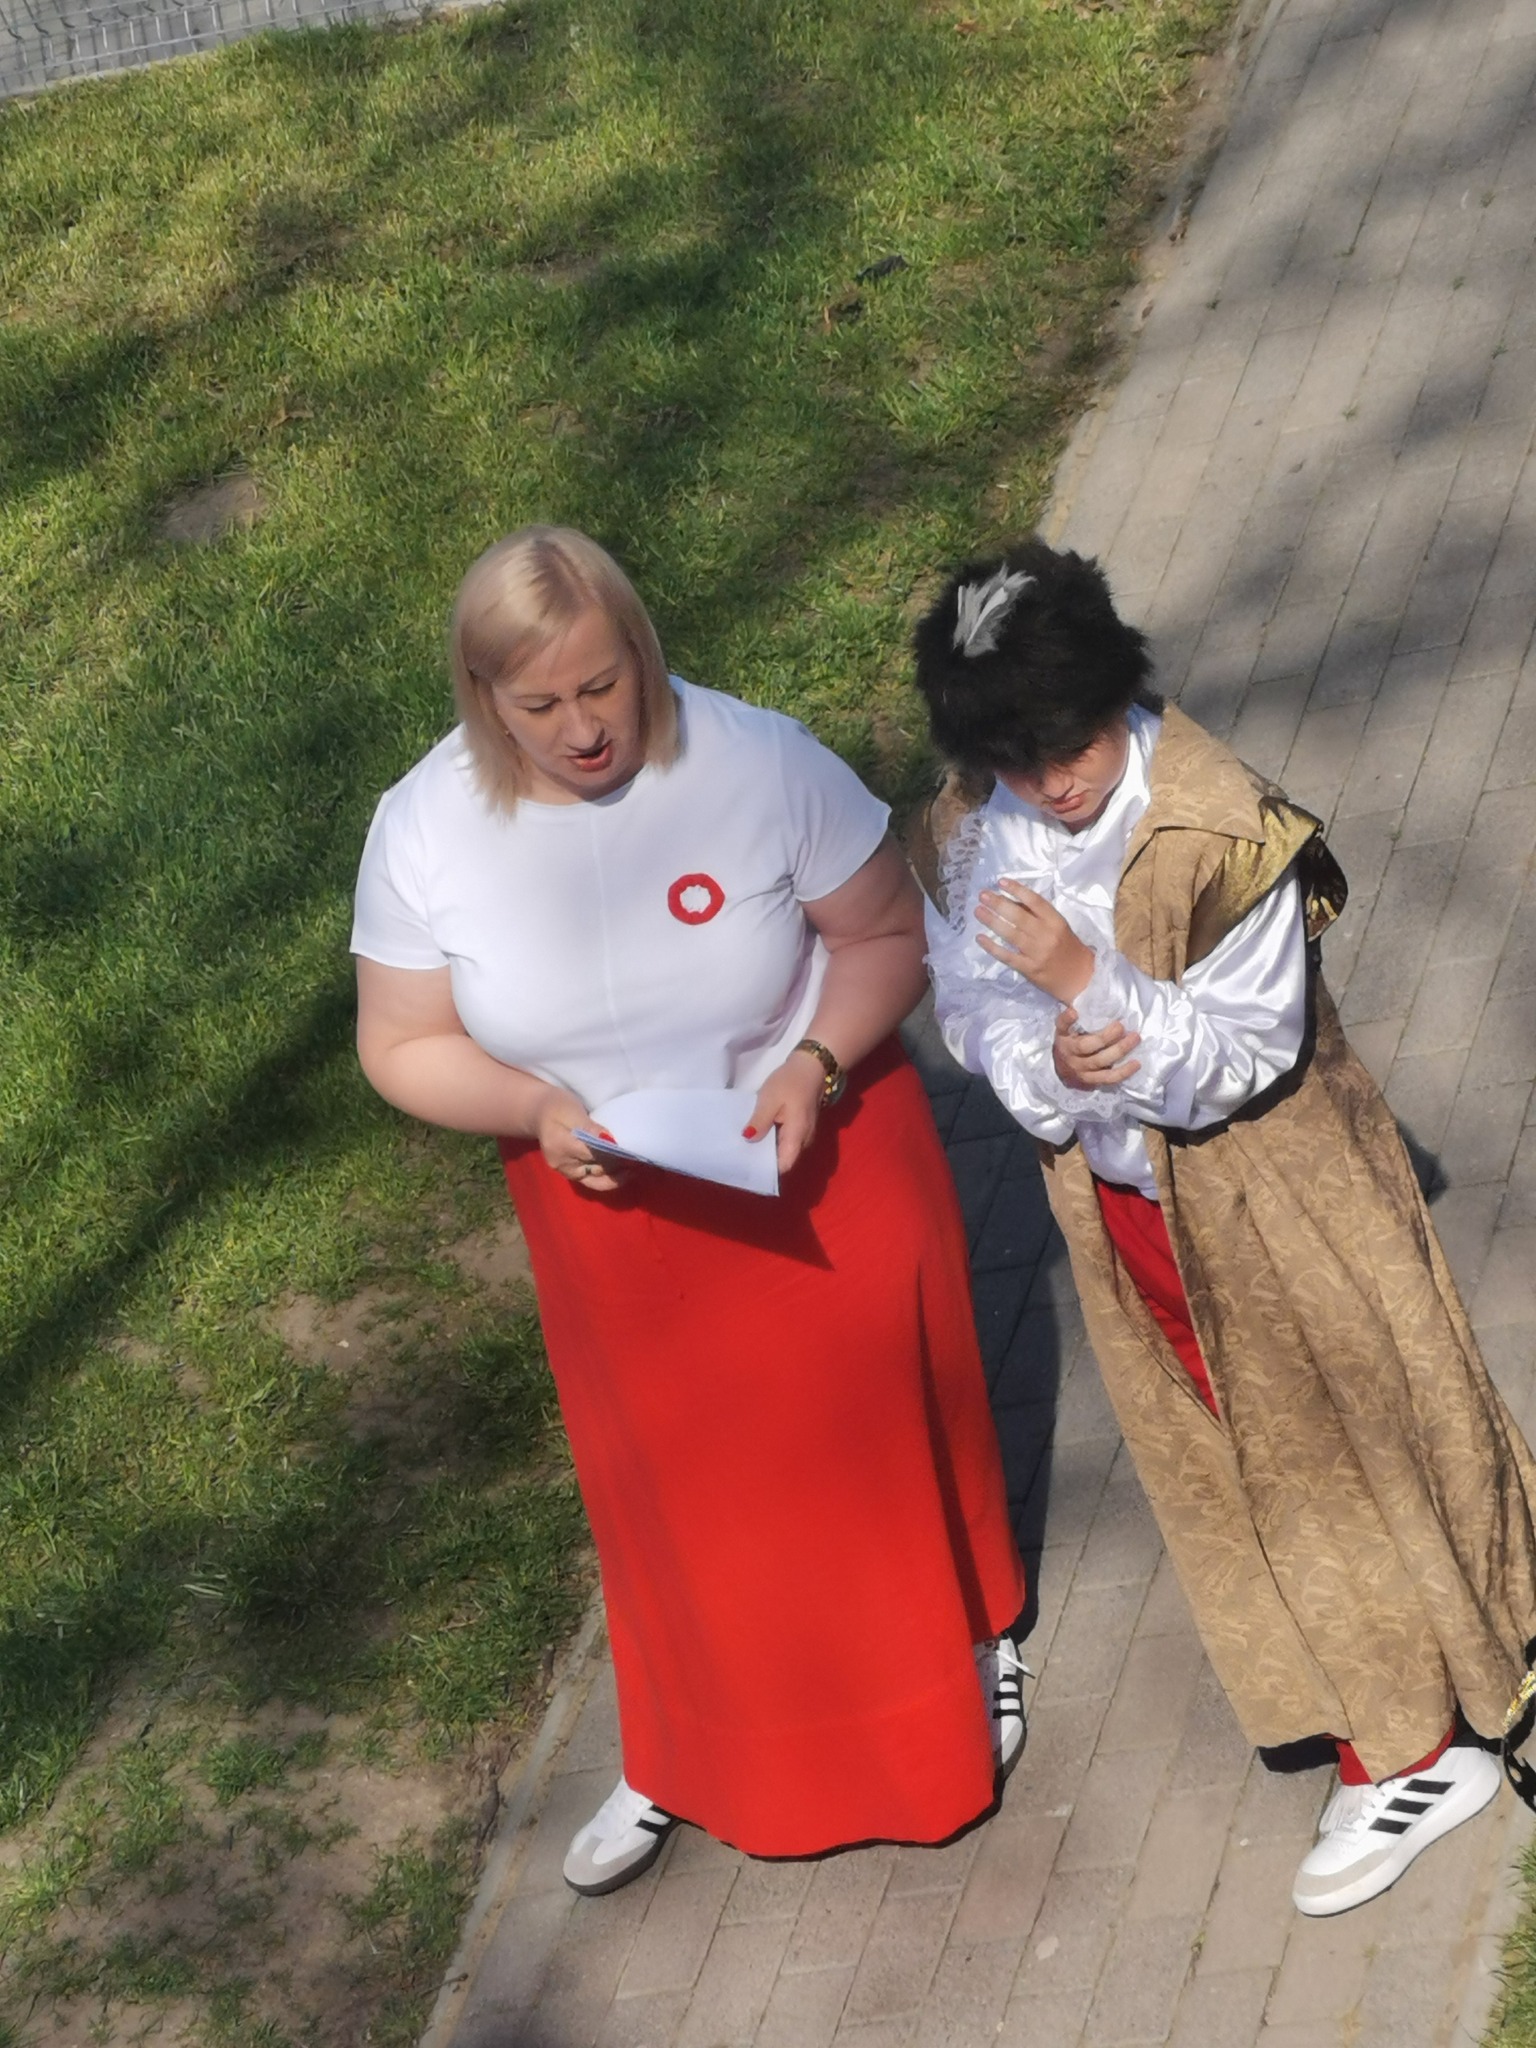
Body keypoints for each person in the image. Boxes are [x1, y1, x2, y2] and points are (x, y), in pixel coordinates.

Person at [351, 526, 1026, 1894]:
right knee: (678, 1503)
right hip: (606, 1206)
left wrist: (816, 1061)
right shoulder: (422, 827)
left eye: (604, 685)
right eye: (540, 704)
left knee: (874, 1457)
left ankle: (968, 1653)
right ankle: (685, 1749)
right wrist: (529, 1106)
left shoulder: (759, 761)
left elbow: (888, 935)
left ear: (642, 652)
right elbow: (401, 1039)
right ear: (484, 697)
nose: (583, 728)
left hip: (813, 1156)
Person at [913, 535, 1536, 1918]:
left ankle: (1428, 1736)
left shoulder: (1220, 823)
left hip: (1279, 1188)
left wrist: (1088, 983)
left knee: (1372, 1429)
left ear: (1115, 690)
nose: (1050, 784)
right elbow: (970, 1005)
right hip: (1125, 1204)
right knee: (1244, 1464)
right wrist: (1046, 1063)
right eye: (1016, 759)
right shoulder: (969, 826)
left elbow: (1244, 1057)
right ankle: (1397, 1718)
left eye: (1069, 744)